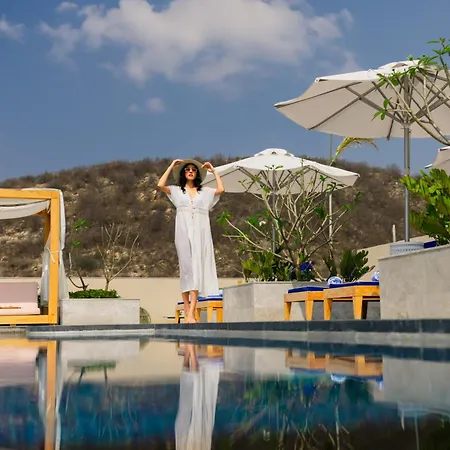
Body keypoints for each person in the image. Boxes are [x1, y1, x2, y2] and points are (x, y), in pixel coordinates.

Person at [157, 159, 224, 323]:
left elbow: (221, 189)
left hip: (200, 233)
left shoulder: (205, 192)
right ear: (183, 173)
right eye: (187, 169)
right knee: (186, 269)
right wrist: (171, 167)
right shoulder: (176, 191)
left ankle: (191, 312)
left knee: (196, 269)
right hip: (182, 231)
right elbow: (160, 185)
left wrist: (214, 171)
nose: (190, 171)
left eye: (193, 169)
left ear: (197, 174)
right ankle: (187, 309)